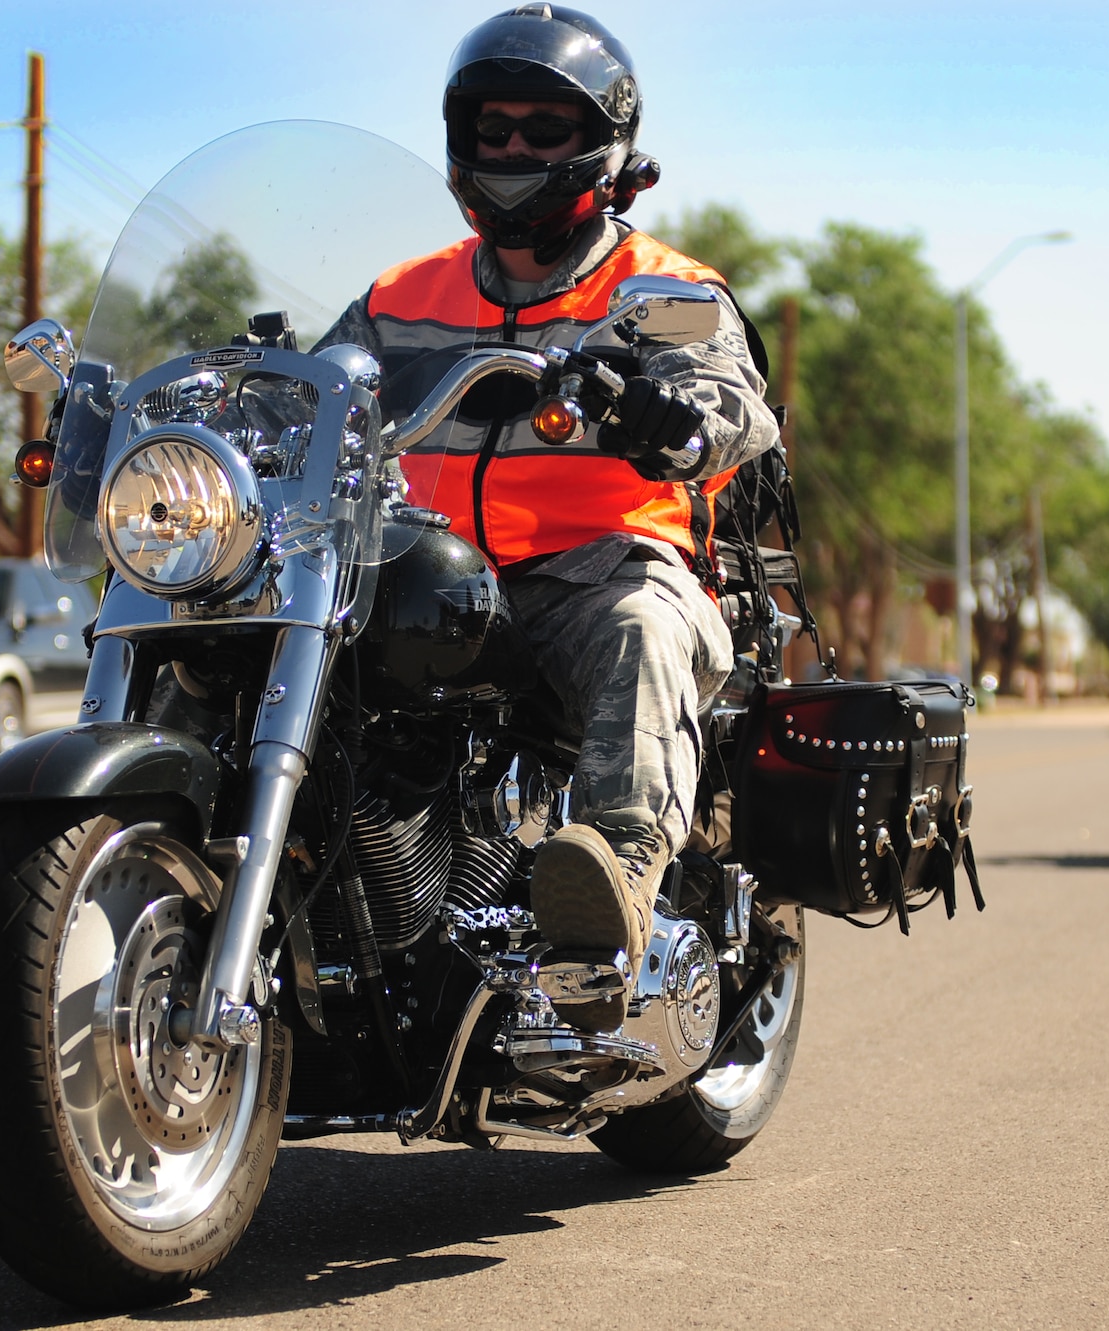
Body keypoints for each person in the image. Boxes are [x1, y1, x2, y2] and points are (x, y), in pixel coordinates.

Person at [319, 4, 780, 1028]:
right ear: (459, 141)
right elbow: (308, 397)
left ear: (604, 148)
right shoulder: (401, 295)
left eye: (544, 129)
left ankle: (609, 881)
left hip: (596, 570)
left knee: (640, 628)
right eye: (494, 129)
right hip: (421, 575)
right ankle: (104, 865)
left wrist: (680, 415)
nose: (515, 148)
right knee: (236, 622)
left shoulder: (663, 287)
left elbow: (733, 405)